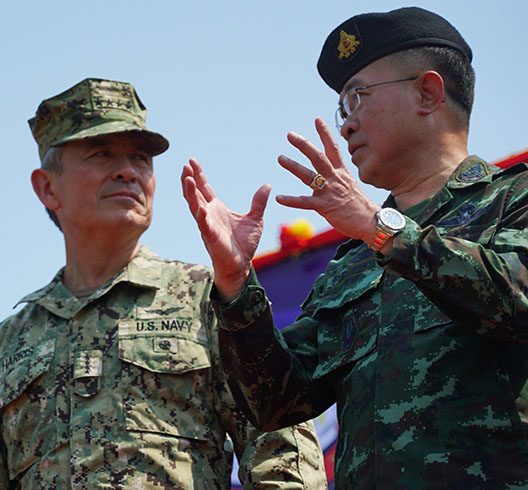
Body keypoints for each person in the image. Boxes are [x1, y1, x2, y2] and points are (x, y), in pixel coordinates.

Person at [182, 6, 528, 489]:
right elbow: (278, 401)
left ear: (428, 92)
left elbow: (519, 300)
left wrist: (381, 229)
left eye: (356, 98)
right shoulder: (354, 260)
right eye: (342, 108)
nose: (346, 125)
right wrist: (237, 287)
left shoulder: (514, 199)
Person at [0, 78, 326, 489]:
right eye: (102, 154)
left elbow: (280, 452)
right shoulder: (1, 349)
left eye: (140, 158)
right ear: (47, 187)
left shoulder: (210, 299)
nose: (128, 172)